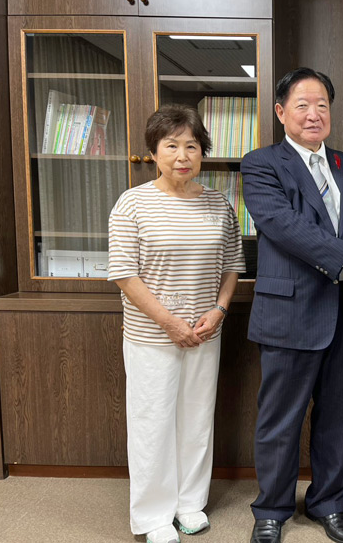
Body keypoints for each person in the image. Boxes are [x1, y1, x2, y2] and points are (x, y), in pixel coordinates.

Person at [241, 67, 343, 543]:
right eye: (302, 105)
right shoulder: (261, 163)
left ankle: (328, 504)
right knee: (280, 420)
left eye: (322, 105)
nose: (314, 114)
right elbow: (284, 226)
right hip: (290, 312)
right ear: (281, 111)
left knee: (338, 419)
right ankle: (271, 510)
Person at [108, 104, 246, 543]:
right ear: (154, 153)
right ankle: (153, 516)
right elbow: (124, 274)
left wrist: (220, 310)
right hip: (152, 335)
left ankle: (189, 503)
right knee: (152, 423)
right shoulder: (133, 203)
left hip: (205, 333)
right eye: (171, 146)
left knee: (196, 419)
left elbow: (232, 265)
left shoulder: (218, 203)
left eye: (192, 146)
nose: (183, 155)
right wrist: (170, 323)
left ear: (202, 151)